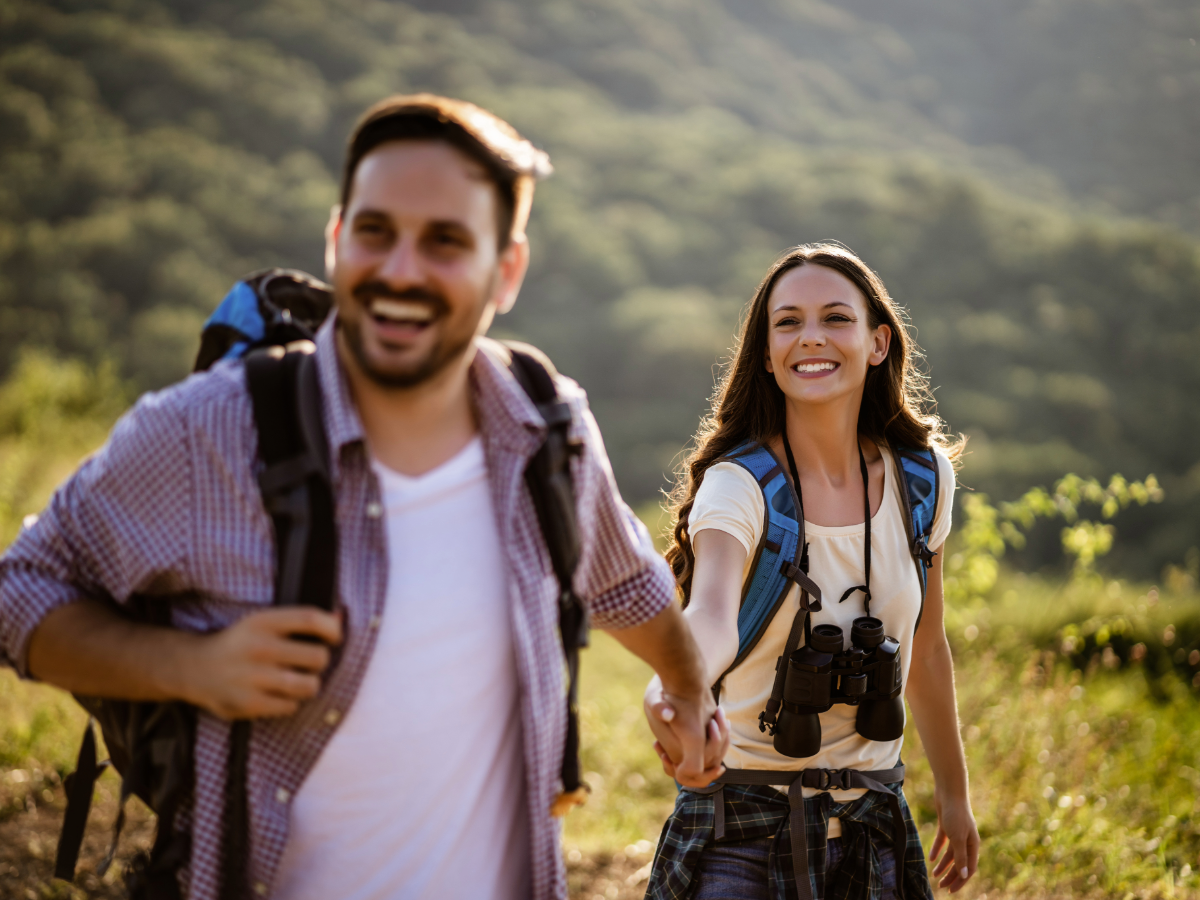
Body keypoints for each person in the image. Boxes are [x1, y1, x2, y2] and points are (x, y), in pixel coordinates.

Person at [0, 94, 728, 900]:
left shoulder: (546, 427)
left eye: (446, 242)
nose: (401, 270)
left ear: (507, 269)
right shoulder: (209, 432)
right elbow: (20, 593)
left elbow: (625, 583)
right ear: (337, 238)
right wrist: (190, 666)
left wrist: (690, 691)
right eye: (377, 232)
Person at [642, 244, 979, 899]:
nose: (811, 338)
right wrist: (675, 686)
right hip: (741, 824)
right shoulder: (738, 487)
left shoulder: (923, 479)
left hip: (875, 819)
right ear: (766, 354)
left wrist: (954, 795)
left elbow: (929, 650)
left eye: (835, 318)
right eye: (788, 322)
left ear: (878, 343)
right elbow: (708, 612)